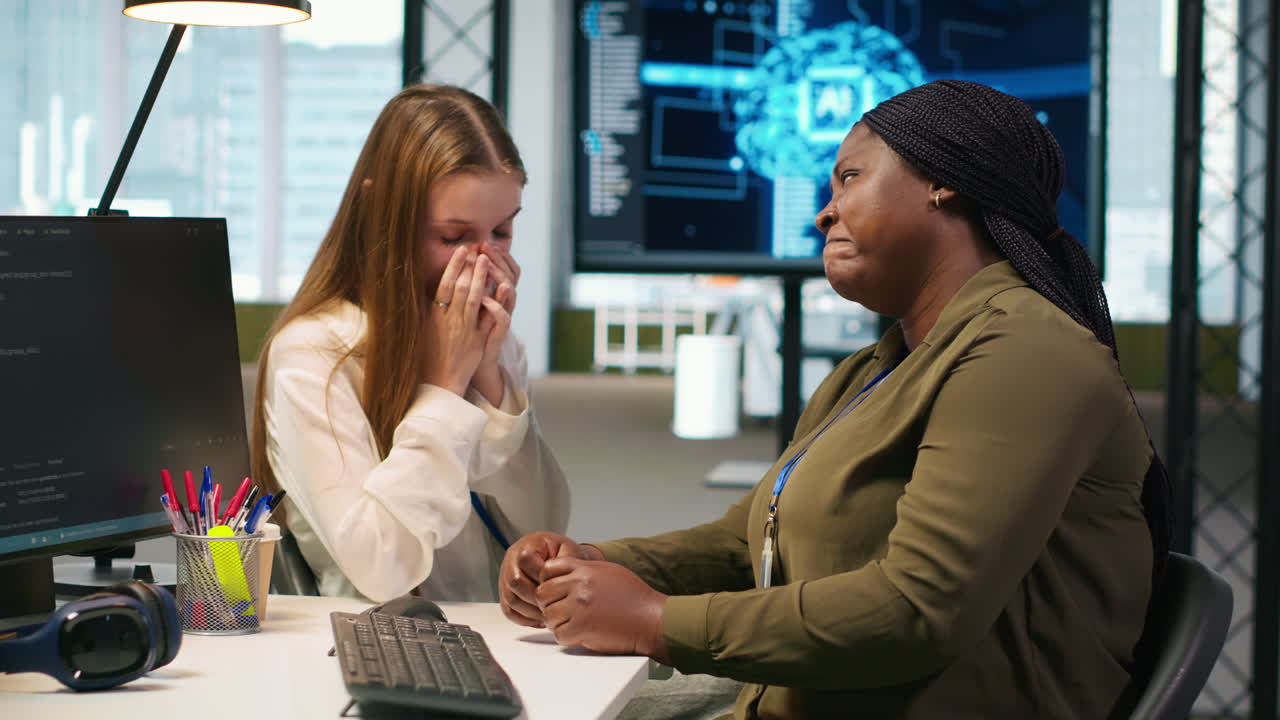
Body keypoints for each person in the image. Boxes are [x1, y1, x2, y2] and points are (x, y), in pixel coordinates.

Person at [498, 79, 1171, 719]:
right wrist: (596, 564)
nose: (825, 211)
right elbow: (750, 542)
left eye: (850, 177)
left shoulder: (1025, 354)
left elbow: (916, 609)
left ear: (944, 181)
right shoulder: (875, 370)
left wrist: (650, 620)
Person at [249, 84, 569, 604]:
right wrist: (444, 390)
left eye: (503, 232)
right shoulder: (313, 356)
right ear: (381, 213)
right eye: (452, 237)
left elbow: (543, 524)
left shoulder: (492, 341)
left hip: (494, 632)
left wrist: (489, 383)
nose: (483, 264)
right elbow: (383, 571)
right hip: (377, 652)